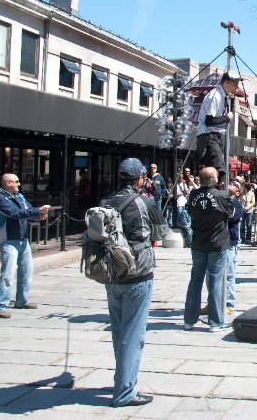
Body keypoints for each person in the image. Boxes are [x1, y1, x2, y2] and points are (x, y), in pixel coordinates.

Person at [102, 158, 162, 407]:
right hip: (138, 272)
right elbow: (159, 233)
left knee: (119, 330)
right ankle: (125, 391)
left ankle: (123, 379)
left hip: (112, 272)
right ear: (139, 179)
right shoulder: (145, 202)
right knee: (133, 332)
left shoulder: (106, 202)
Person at [0, 173, 50, 318]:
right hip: (9, 240)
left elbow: (26, 210)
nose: (19, 184)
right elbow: (14, 213)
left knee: (26, 271)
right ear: (8, 183)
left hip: (23, 239)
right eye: (16, 182)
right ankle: (0, 305)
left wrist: (38, 216)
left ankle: (22, 300)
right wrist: (37, 211)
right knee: (8, 274)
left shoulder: (19, 196)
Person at [184, 167, 234, 332]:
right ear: (215, 180)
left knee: (195, 280)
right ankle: (215, 322)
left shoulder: (193, 195)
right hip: (217, 243)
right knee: (215, 281)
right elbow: (231, 213)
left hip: (198, 242)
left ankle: (189, 320)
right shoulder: (221, 195)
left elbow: (190, 211)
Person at [196, 72, 241, 173]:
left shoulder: (225, 96)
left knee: (217, 166)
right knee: (219, 166)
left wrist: (232, 99)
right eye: (235, 84)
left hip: (219, 134)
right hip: (209, 134)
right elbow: (209, 121)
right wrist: (226, 118)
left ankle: (216, 186)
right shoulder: (215, 96)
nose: (237, 87)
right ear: (226, 82)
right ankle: (219, 186)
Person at [225, 181, 243, 316]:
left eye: (234, 184)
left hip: (230, 241)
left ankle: (228, 304)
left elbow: (231, 218)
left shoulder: (236, 203)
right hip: (216, 242)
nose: (230, 183)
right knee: (212, 276)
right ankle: (213, 301)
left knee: (229, 274)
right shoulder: (218, 199)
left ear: (238, 192)